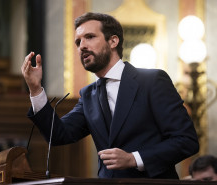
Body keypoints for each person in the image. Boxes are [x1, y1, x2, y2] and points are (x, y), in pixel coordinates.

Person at [21, 12, 199, 179]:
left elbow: (186, 141)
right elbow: (58, 135)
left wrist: (133, 159)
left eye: (89, 37)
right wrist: (35, 88)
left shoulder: (152, 81)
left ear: (113, 41)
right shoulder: (88, 95)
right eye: (77, 42)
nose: (82, 46)